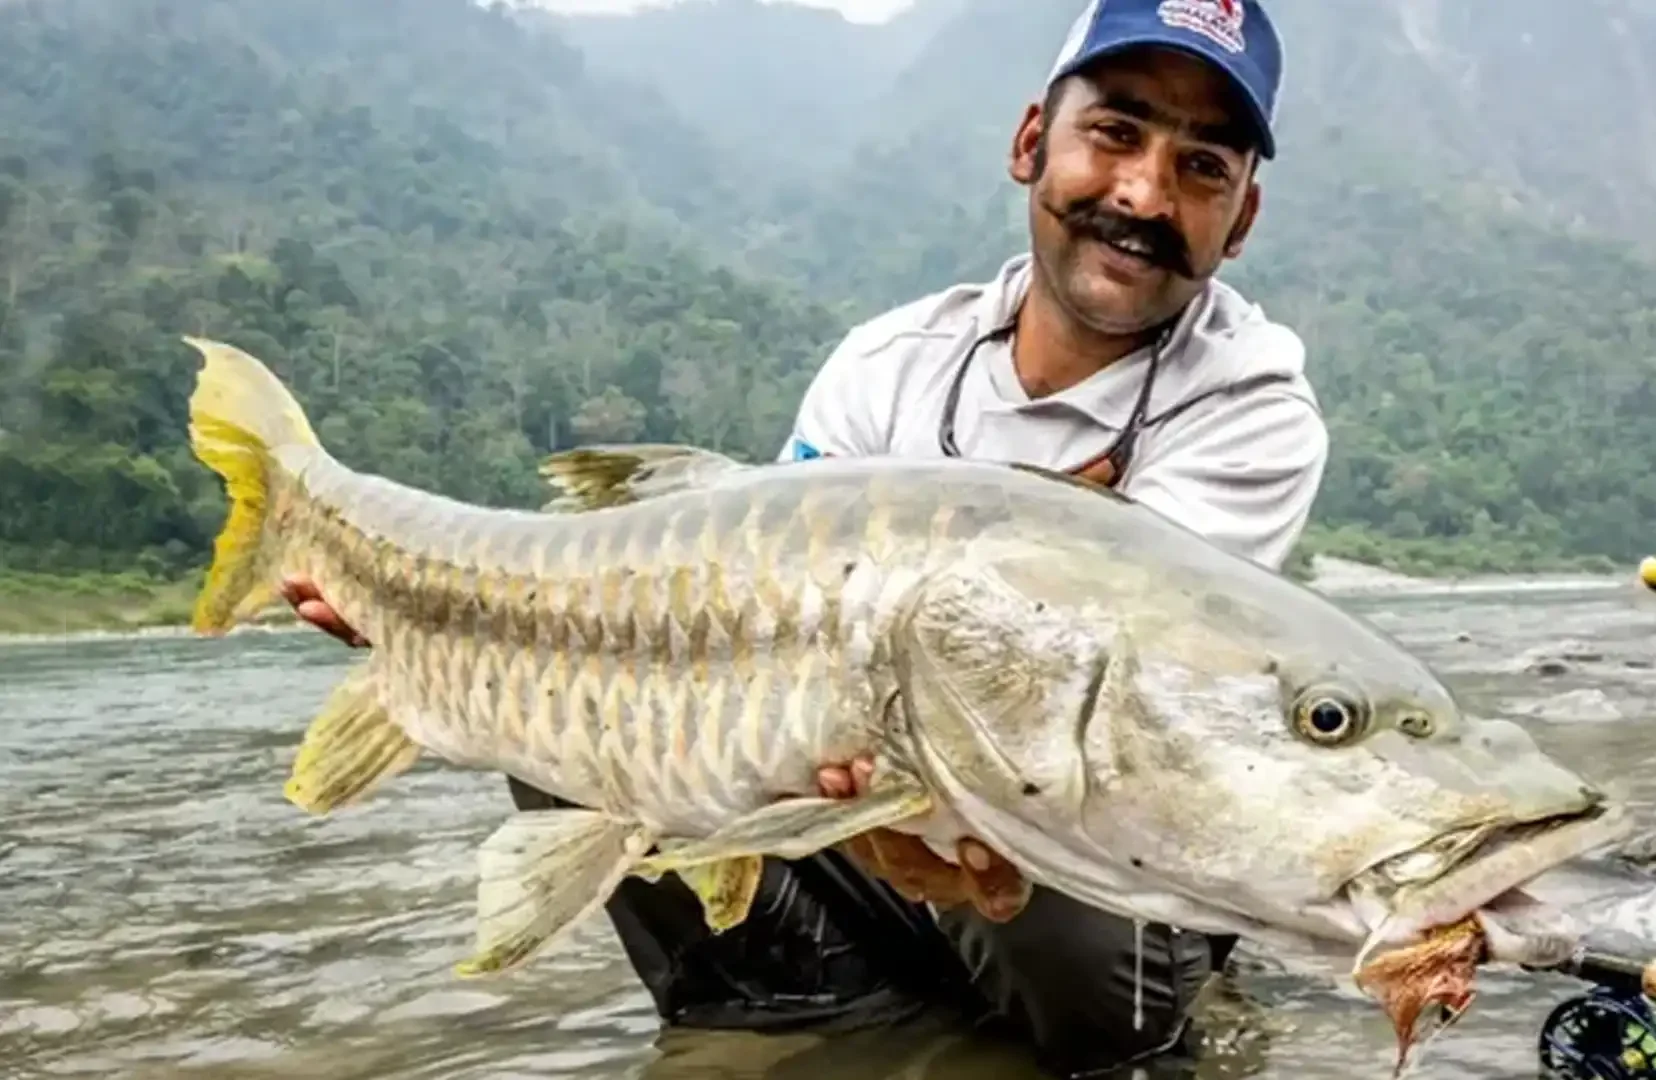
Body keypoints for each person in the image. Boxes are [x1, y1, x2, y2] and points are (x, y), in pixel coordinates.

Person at [278, 0, 1329, 1074]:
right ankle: (812, 1008)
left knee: (1073, 913)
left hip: (1066, 825)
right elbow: (752, 607)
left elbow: (1105, 707)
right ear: (1031, 145)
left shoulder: (1251, 416)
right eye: (1114, 133)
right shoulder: (889, 363)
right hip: (851, 794)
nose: (1143, 194)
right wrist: (435, 618)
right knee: (589, 690)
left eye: (1202, 167)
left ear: (1239, 221)